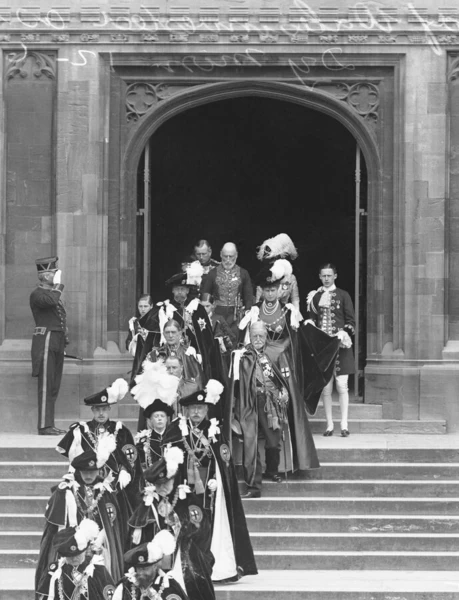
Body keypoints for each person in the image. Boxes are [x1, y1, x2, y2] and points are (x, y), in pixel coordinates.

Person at [163, 381, 258, 583]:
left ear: (206, 409)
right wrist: (175, 481)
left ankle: (212, 569)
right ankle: (185, 568)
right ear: (186, 410)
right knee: (186, 528)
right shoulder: (176, 430)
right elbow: (166, 462)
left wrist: (219, 481)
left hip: (209, 492)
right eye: (193, 408)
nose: (196, 412)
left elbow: (224, 463)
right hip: (183, 491)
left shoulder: (214, 431)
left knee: (208, 529)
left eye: (200, 408)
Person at [232, 320, 318, 498]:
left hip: (271, 402)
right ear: (250, 334)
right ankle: (253, 486)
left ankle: (272, 470)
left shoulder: (275, 352)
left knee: (273, 440)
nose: (257, 339)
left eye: (261, 335)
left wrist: (284, 395)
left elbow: (285, 378)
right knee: (250, 443)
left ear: (266, 336)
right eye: (254, 335)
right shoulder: (242, 355)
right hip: (249, 403)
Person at [35, 450, 125, 589]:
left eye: (92, 471)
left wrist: (102, 537)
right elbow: (56, 526)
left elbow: (111, 521)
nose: (89, 475)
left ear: (99, 470)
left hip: (98, 548)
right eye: (85, 471)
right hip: (71, 549)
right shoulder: (67, 490)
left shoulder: (105, 490)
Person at [56, 378, 143, 513]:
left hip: (114, 485)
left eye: (104, 409)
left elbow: (131, 457)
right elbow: (72, 459)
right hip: (88, 483)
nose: (101, 413)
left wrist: (125, 472)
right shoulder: (81, 430)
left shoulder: (120, 430)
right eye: (97, 409)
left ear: (109, 408)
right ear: (92, 410)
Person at [307, 262, 356, 437]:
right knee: (326, 388)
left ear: (335, 276)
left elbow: (351, 321)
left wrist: (344, 332)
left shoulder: (343, 295)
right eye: (323, 276)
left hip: (341, 347)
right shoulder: (315, 297)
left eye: (329, 275)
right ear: (320, 277)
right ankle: (329, 425)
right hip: (324, 349)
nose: (326, 279)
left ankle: (344, 424)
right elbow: (312, 319)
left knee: (342, 386)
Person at [30, 256, 67, 435]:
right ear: (44, 276)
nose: (56, 275)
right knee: (46, 385)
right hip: (46, 340)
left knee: (53, 384)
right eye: (53, 273)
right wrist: (59, 286)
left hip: (56, 340)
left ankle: (49, 424)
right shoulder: (38, 294)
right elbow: (51, 302)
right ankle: (44, 426)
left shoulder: (51, 293)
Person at [36, 520, 115, 600]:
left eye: (77, 555)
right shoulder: (54, 571)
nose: (74, 559)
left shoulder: (98, 570)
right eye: (69, 556)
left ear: (84, 550)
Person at [113, 531, 188, 600]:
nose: (141, 573)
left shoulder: (170, 586)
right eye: (139, 568)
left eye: (145, 569)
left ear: (155, 566)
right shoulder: (125, 586)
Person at [201, 242, 254, 335]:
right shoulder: (212, 273)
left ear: (236, 255)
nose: (228, 260)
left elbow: (248, 297)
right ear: (221, 254)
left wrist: (248, 315)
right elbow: (205, 297)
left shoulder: (243, 273)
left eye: (231, 256)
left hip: (237, 316)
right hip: (217, 315)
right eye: (225, 256)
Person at [255, 233, 300, 310]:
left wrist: (295, 315)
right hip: (265, 313)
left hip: (284, 315)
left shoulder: (291, 278)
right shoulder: (264, 277)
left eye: (276, 259)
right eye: (271, 260)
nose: (274, 263)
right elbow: (257, 300)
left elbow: (295, 299)